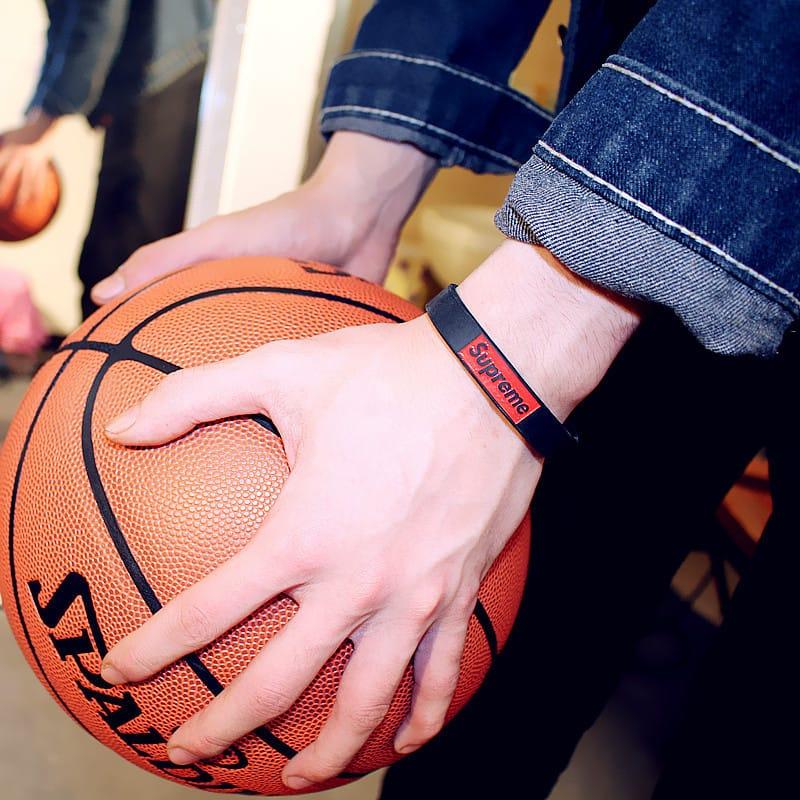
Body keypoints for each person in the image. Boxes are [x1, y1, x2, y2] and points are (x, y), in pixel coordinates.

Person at [86, 1, 798, 796]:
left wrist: (539, 325)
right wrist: (368, 174)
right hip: (655, 120)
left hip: (672, 151)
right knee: (496, 671)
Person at [0, 0, 214, 319]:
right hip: (161, 67)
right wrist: (39, 114)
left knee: (118, 273)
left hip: (165, 67)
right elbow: (69, 18)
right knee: (111, 267)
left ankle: (108, 368)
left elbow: (95, 9)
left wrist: (46, 118)